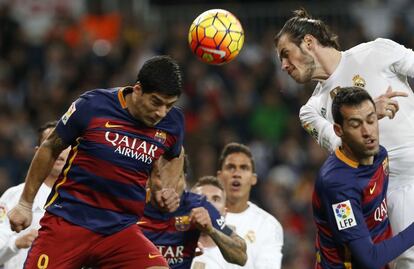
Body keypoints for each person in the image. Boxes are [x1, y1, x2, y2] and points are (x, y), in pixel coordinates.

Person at [7, 55, 185, 269]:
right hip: (69, 221)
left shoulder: (173, 122)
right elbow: (50, 147)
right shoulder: (93, 105)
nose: (161, 113)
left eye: (169, 105)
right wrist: (25, 203)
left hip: (120, 230)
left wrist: (165, 188)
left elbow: (176, 153)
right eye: (156, 102)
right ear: (138, 89)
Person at [274, 8, 414, 268]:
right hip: (385, 194)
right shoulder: (311, 110)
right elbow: (340, 147)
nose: (283, 66)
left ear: (308, 42)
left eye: (285, 54)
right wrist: (371, 111)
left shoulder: (376, 51)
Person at [312, 86, 414, 268]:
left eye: (371, 120)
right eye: (355, 124)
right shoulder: (338, 186)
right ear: (338, 130)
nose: (368, 132)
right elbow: (369, 259)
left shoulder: (379, 154)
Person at [139, 164, 247, 269]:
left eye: (177, 177)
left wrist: (211, 230)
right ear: (149, 179)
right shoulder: (133, 206)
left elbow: (241, 256)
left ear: (185, 180)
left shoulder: (198, 204)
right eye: (161, 176)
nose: (170, 186)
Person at [0, 121, 70, 269]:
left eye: (64, 144)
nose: (59, 150)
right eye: (51, 144)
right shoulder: (14, 195)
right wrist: (16, 243)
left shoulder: (82, 200)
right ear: (38, 153)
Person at [216, 142, 284, 269]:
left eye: (244, 168)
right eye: (230, 167)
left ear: (253, 179)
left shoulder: (268, 225)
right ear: (219, 176)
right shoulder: (203, 217)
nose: (236, 173)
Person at [191, 176, 236, 269]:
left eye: (215, 199)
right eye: (201, 198)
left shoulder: (237, 254)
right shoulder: (173, 247)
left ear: (225, 211)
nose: (208, 204)